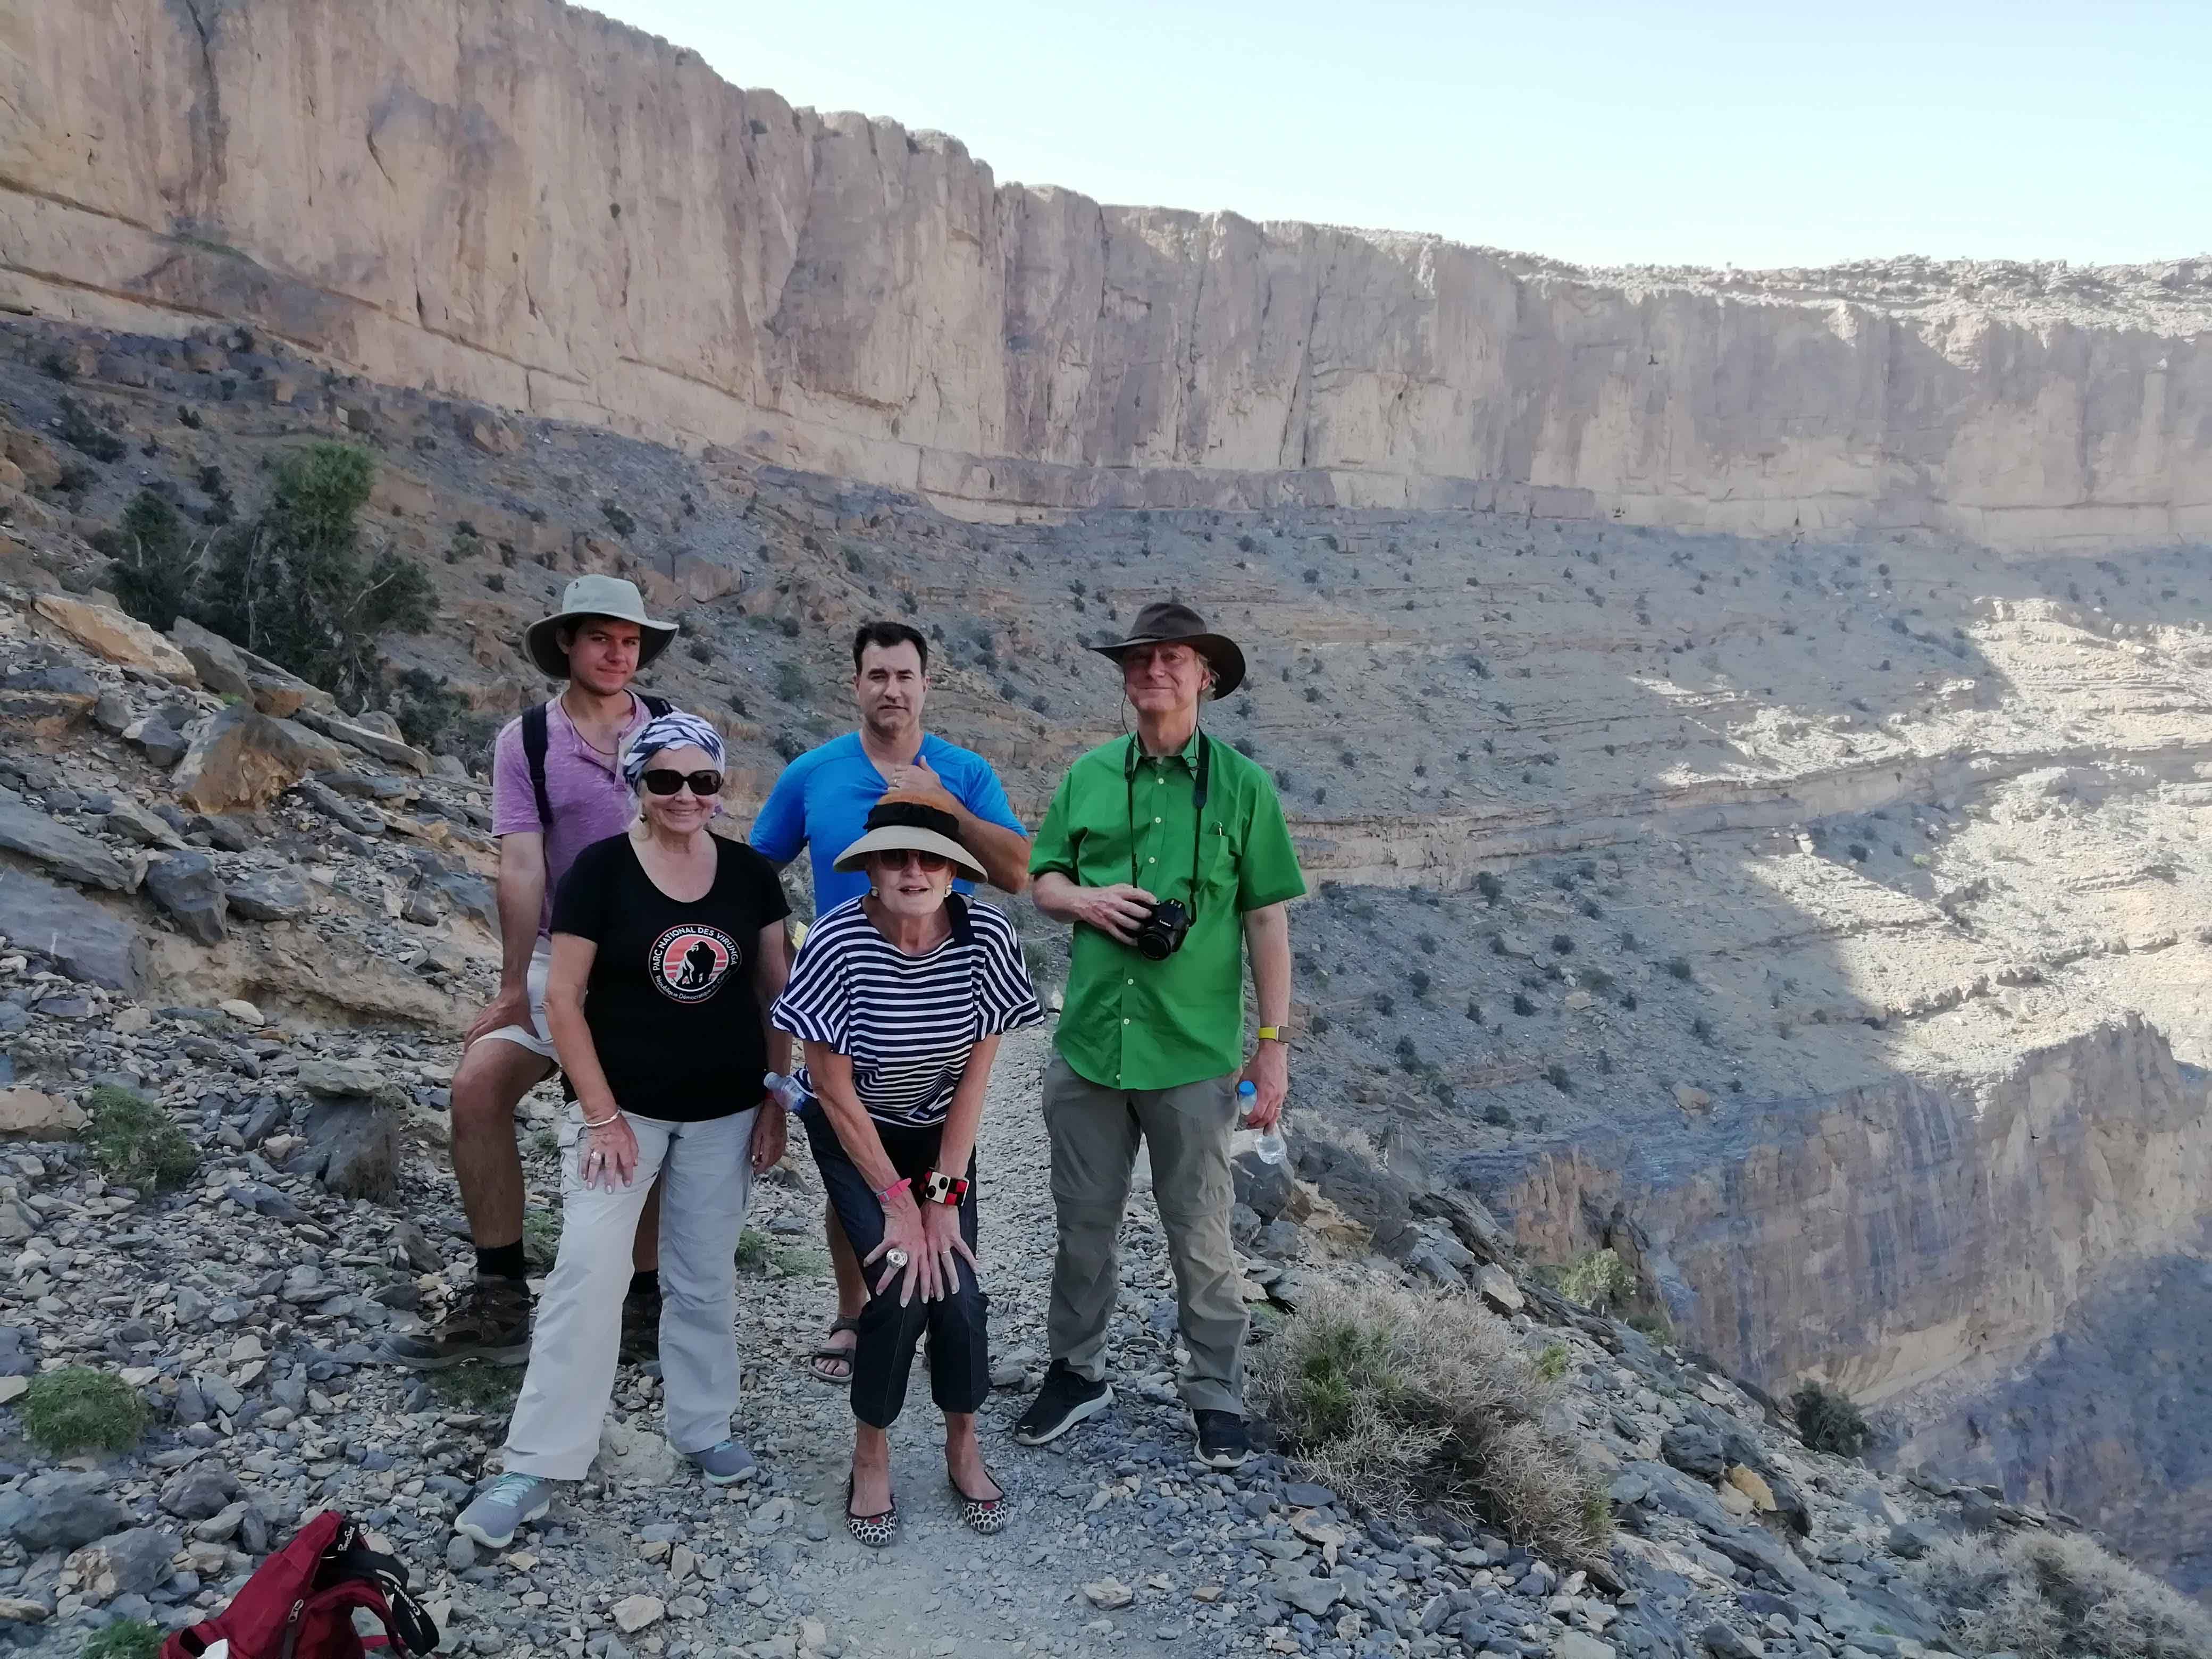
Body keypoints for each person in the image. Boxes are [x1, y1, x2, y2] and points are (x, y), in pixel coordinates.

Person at [455, 711, 793, 1548]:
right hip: (624, 1113)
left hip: (725, 1111)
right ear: (638, 785)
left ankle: (703, 1426)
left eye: (702, 781)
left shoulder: (750, 875)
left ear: (720, 787)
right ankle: (536, 1461)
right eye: (666, 780)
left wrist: (775, 1101)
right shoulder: (600, 871)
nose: (685, 796)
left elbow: (774, 994)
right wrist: (600, 1114)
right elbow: (564, 999)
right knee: (586, 1271)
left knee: (703, 1275)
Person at [1015, 602, 1305, 1471]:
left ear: (1205, 677)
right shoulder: (1089, 775)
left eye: (1173, 658)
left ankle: (1217, 1394)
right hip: (1092, 1046)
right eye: (1140, 659)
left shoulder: (1244, 787)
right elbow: (1043, 879)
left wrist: (1273, 1045)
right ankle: (1077, 1372)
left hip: (1193, 1054)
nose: (1154, 671)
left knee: (1200, 1232)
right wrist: (1084, 899)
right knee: (1083, 1224)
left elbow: (1267, 921)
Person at [387, 576, 680, 1372]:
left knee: (643, 1112)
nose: (618, 655)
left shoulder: (670, 733)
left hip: (649, 960)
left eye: (630, 641)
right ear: (567, 644)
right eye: (601, 639)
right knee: (477, 1087)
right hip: (559, 956)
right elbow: (520, 866)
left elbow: (697, 846)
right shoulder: (528, 742)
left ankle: (643, 1300)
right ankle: (500, 1295)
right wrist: (515, 986)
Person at [751, 621, 1033, 1385]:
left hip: (940, 1013)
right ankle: (857, 1313)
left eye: (905, 676)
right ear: (857, 685)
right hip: (847, 1003)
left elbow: (1017, 871)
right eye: (877, 675)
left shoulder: (965, 771)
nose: (892, 689)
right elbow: (753, 873)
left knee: (941, 1168)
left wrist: (944, 805)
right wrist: (766, 961)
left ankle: (944, 1307)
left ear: (926, 685)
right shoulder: (813, 774)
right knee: (855, 1179)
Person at [773, 794, 1042, 1545]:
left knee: (956, 1286)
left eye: (932, 859)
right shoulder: (835, 941)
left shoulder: (988, 937)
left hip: (936, 1133)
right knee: (895, 1284)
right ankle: (871, 1453)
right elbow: (831, 1088)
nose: (914, 871)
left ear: (955, 873)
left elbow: (976, 1080)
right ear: (872, 869)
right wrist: (897, 1203)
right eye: (897, 857)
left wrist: (942, 1199)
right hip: (855, 1132)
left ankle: (964, 1443)